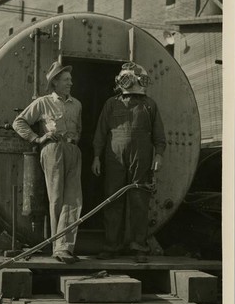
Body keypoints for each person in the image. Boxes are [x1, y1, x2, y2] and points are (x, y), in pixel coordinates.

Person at [91, 61, 166, 263]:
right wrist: (97, 156)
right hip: (114, 157)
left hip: (141, 157)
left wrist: (158, 155)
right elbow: (101, 132)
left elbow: (159, 135)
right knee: (112, 199)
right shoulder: (111, 103)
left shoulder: (149, 104)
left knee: (139, 200)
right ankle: (111, 246)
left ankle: (139, 247)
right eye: (125, 78)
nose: (129, 82)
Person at [13, 61, 82, 264]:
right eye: (66, 80)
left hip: (73, 150)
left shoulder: (77, 104)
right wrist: (37, 139)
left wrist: (75, 141)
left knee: (74, 200)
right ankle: (58, 248)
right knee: (57, 199)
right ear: (56, 82)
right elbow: (19, 122)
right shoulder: (43, 102)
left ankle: (66, 248)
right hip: (53, 150)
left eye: (70, 80)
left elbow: (79, 128)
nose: (71, 83)